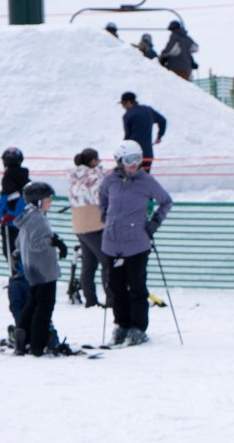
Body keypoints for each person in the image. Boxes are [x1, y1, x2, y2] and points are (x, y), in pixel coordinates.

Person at [96, 142, 170, 346]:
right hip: (112, 243)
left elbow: (166, 201)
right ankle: (121, 324)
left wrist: (154, 222)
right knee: (116, 287)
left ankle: (138, 327)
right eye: (129, 160)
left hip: (137, 243)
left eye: (138, 159)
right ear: (119, 161)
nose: (134, 164)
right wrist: (104, 215)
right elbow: (102, 198)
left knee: (137, 286)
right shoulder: (110, 180)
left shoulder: (146, 181)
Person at [12, 181, 67, 356]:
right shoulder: (38, 218)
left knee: (33, 303)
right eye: (47, 199)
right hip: (43, 270)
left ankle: (22, 334)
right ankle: (37, 344)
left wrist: (18, 253)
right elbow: (36, 244)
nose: (50, 201)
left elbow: (21, 242)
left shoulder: (29, 216)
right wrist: (54, 242)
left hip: (33, 269)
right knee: (44, 307)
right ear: (37, 201)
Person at [0, 149, 31, 341]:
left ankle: (21, 318)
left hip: (11, 226)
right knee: (22, 258)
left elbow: (10, 200)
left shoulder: (9, 177)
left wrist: (5, 215)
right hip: (20, 225)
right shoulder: (24, 176)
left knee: (14, 261)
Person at [66, 148, 108, 309]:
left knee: (89, 264)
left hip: (79, 225)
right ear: (92, 161)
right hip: (95, 223)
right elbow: (100, 195)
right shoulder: (93, 176)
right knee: (107, 261)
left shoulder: (74, 176)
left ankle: (90, 299)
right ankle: (111, 298)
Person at [118, 91, 167, 166]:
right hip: (147, 153)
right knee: (144, 177)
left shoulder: (128, 116)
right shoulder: (148, 110)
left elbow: (127, 136)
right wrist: (159, 136)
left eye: (123, 104)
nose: (123, 107)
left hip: (132, 154)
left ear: (128, 102)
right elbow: (163, 121)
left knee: (132, 177)